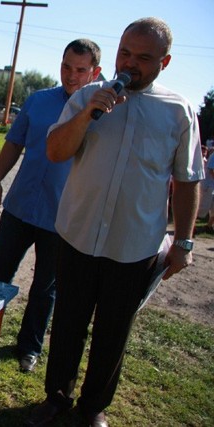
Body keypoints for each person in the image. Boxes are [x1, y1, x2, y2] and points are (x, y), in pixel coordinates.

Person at [25, 17, 203, 427]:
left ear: (166, 62)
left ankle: (93, 407)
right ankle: (56, 398)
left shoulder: (179, 112)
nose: (130, 63)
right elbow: (55, 151)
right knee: (68, 321)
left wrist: (185, 243)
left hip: (134, 245)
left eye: (143, 57)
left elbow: (188, 180)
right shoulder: (88, 96)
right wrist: (87, 113)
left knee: (113, 333)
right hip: (78, 234)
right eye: (125, 52)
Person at [0, 39, 102, 373]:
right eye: (67, 66)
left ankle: (29, 347)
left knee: (45, 287)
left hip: (62, 217)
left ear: (95, 71)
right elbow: (13, 144)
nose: (71, 75)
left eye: (81, 69)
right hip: (20, 206)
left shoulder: (102, 114)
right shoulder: (38, 101)